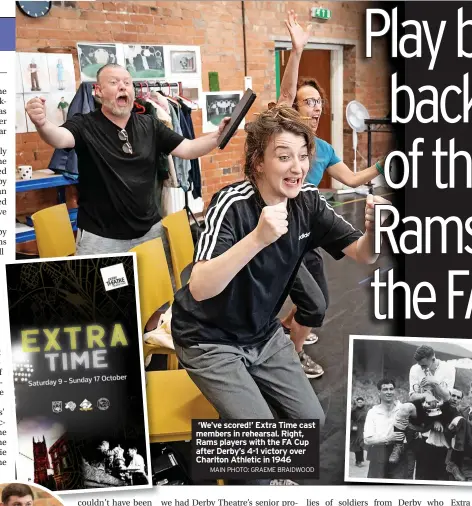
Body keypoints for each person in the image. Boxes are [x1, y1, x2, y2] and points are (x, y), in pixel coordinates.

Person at [171, 107, 389, 448]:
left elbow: (364, 253)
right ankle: (245, 471)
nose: (297, 167)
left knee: (311, 423)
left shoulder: (308, 202)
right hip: (208, 338)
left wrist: (374, 231)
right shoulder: (232, 203)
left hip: (261, 333)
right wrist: (257, 238)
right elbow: (199, 287)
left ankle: (264, 458)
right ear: (258, 162)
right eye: (284, 156)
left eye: (303, 157)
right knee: (262, 439)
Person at [275, 10, 389, 377]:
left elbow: (353, 179)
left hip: (310, 226)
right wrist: (296, 51)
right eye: (308, 101)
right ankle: (289, 358)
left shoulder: (322, 148)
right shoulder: (286, 134)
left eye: (318, 102)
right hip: (280, 229)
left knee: (310, 295)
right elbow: (284, 94)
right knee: (315, 300)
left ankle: (289, 328)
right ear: (294, 107)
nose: (315, 107)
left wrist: (387, 167)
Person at [24, 63, 229, 257]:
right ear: (98, 91)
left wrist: (217, 136)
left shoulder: (150, 124)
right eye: (113, 82)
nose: (122, 86)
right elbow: (59, 139)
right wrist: (42, 123)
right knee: (101, 294)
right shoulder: (84, 124)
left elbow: (188, 148)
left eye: (127, 83)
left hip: (150, 233)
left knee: (157, 294)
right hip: (101, 238)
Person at [408, 345, 456, 480]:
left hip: (443, 412)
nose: (422, 369)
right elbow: (412, 396)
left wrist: (435, 384)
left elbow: (447, 398)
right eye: (420, 366)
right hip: (424, 412)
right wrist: (425, 395)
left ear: (433, 359)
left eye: (424, 365)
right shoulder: (415, 369)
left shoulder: (448, 369)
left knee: (440, 467)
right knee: (423, 467)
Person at [363, 379, 407, 479]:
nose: (389, 392)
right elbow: (367, 439)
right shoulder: (373, 412)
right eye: (385, 389)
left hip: (399, 454)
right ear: (379, 392)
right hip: (378, 454)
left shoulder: (403, 409)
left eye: (391, 389)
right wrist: (388, 438)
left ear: (395, 391)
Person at [350, 397, 368, 467]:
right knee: (355, 445)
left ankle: (359, 461)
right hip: (354, 428)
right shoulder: (353, 410)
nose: (359, 403)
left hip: (362, 428)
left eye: (361, 402)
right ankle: (357, 461)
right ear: (356, 402)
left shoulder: (366, 410)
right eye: (358, 402)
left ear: (363, 402)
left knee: (361, 445)